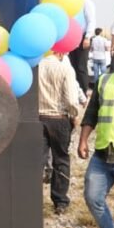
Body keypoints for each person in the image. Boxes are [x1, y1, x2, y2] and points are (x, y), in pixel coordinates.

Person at [77, 49, 114, 228]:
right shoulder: (104, 81)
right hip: (103, 154)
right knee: (93, 197)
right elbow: (91, 113)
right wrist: (83, 140)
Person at [38, 52, 80, 213]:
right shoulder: (65, 68)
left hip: (38, 118)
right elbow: (71, 100)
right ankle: (60, 201)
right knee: (61, 159)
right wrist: (74, 115)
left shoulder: (36, 66)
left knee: (36, 161)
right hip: (59, 118)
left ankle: (31, 198)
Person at [68, 0, 96, 94]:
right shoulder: (69, 3)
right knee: (72, 66)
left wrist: (87, 37)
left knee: (81, 66)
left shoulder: (86, 2)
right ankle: (75, 92)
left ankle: (84, 91)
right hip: (72, 37)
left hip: (83, 37)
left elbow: (91, 21)